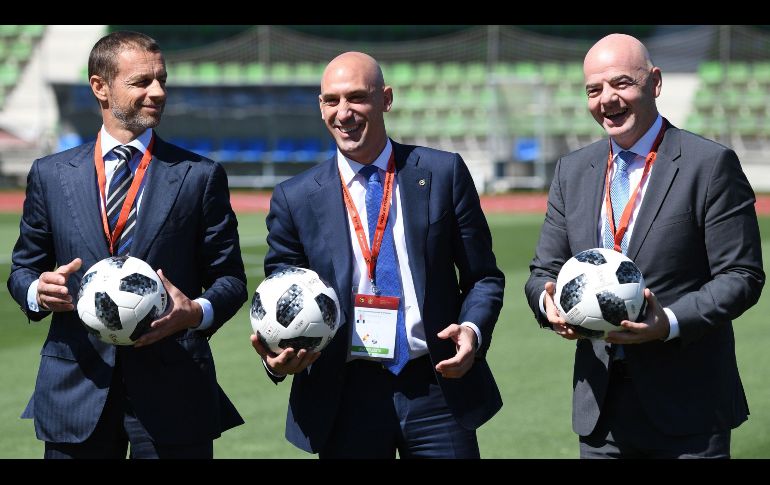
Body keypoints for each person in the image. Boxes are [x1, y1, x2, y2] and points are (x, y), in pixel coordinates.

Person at [250, 51, 505, 458]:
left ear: (386, 99)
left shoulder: (443, 173)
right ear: (320, 107)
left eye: (357, 98)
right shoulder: (295, 198)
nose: (343, 113)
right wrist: (279, 357)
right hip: (344, 393)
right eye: (331, 101)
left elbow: (483, 277)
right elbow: (282, 295)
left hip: (435, 384)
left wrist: (471, 332)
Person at [6, 31, 247, 459]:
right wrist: (37, 291)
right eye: (141, 82)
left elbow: (229, 279)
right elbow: (23, 269)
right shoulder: (51, 174)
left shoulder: (199, 175)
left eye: (162, 80)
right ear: (100, 86)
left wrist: (195, 312)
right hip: (76, 389)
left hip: (174, 390)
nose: (157, 92)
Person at [524, 33, 765, 458]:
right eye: (594, 90)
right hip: (600, 413)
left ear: (654, 82)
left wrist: (668, 322)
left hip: (688, 411)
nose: (607, 99)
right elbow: (542, 271)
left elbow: (741, 276)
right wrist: (550, 306)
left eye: (621, 83)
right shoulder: (572, 171)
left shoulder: (708, 165)